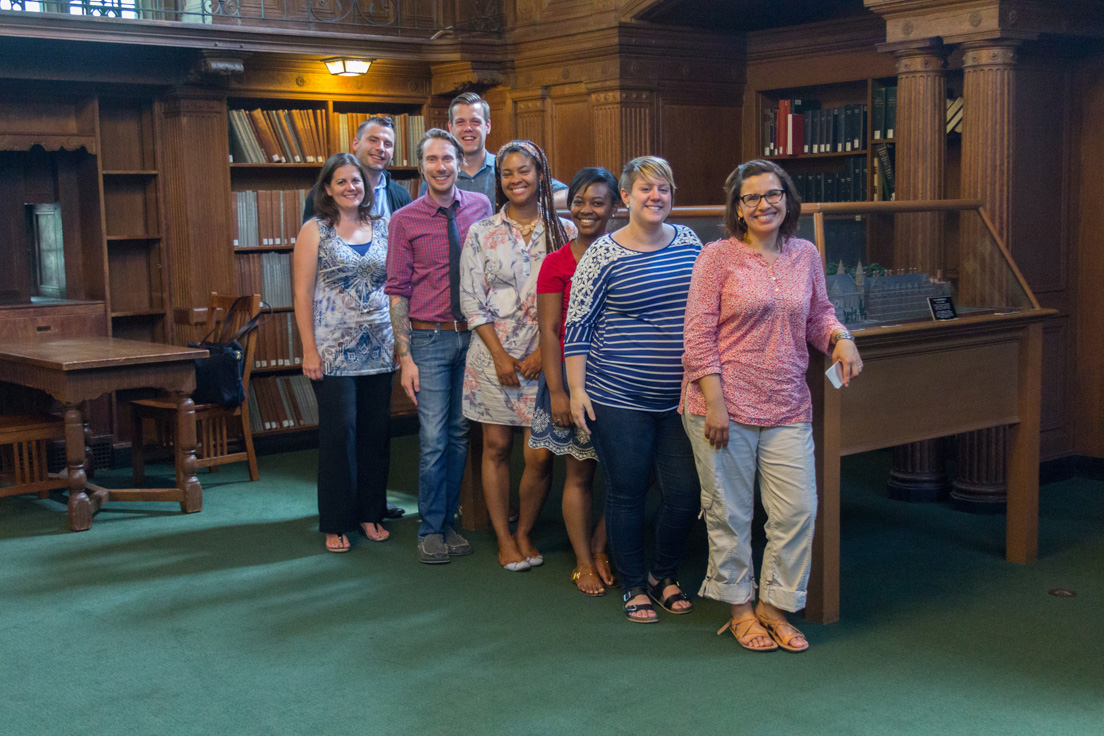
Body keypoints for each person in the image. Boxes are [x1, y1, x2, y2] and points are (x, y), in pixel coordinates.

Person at [680, 159, 863, 652]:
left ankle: (774, 605)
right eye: (751, 197)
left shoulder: (805, 253)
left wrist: (840, 338)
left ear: (788, 198)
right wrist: (714, 403)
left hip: (787, 402)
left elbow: (820, 312)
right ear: (737, 208)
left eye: (772, 194)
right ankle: (740, 608)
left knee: (798, 510)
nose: (764, 205)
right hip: (722, 405)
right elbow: (697, 336)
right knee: (730, 514)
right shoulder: (717, 257)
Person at [564, 156, 703, 622]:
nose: (655, 197)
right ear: (625, 197)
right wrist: (577, 391)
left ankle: (663, 575)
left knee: (683, 494)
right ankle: (633, 583)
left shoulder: (688, 242)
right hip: (616, 394)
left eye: (663, 188)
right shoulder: (601, 254)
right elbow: (578, 324)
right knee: (626, 491)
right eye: (644, 189)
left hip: (679, 397)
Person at [459, 140, 573, 572]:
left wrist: (545, 356)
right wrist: (501, 356)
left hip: (546, 356)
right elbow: (471, 300)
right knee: (495, 446)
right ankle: (505, 539)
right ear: (499, 180)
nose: (515, 180)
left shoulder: (564, 230)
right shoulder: (482, 232)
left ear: (540, 174)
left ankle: (525, 530)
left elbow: (572, 298)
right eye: (507, 173)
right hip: (493, 358)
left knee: (539, 453)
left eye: (524, 171)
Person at [386, 129, 494, 564]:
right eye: (432, 160)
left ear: (458, 160)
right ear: (421, 166)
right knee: (432, 437)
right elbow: (397, 290)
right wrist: (404, 356)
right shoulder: (405, 220)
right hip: (428, 339)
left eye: (447, 158)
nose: (441, 166)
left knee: (458, 434)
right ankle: (429, 529)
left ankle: (447, 521)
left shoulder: (481, 208)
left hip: (473, 336)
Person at [292, 153, 396, 553]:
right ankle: (336, 521)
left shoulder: (384, 227)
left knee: (375, 434)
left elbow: (397, 287)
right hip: (332, 351)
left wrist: (401, 343)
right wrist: (309, 349)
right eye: (342, 182)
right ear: (327, 189)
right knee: (340, 434)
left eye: (357, 181)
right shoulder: (314, 230)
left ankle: (371, 513)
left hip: (381, 349)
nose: (352, 187)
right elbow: (302, 293)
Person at [529, 167, 619, 595]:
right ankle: (583, 561)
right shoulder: (555, 263)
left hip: (621, 379)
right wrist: (560, 392)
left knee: (629, 474)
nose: (587, 210)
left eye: (598, 202)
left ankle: (600, 544)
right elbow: (549, 331)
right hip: (571, 378)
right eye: (579, 201)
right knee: (580, 474)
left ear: (615, 208)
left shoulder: (626, 254)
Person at [420, 92, 568, 207]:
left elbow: (569, 195)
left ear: (488, 126)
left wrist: (528, 201)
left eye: (475, 121)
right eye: (460, 122)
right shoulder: (439, 175)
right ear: (451, 128)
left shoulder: (507, 169)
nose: (468, 128)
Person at [303, 116, 413, 221]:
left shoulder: (401, 195)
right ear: (356, 144)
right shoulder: (325, 191)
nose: (380, 148)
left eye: (387, 144)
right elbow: (311, 235)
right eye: (373, 140)